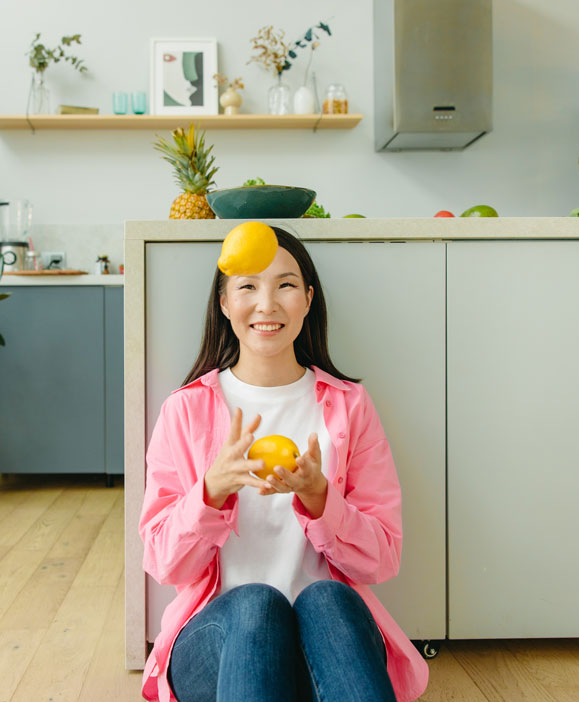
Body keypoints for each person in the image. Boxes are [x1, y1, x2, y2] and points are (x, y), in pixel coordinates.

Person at [138, 227, 429, 702]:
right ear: (225, 302)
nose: (267, 304)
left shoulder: (349, 406)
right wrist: (209, 493)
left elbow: (381, 559)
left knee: (329, 597)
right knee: (256, 603)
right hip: (218, 649)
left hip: (327, 646)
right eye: (248, 286)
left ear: (309, 298)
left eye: (286, 285)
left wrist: (321, 500)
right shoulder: (185, 410)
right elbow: (163, 563)